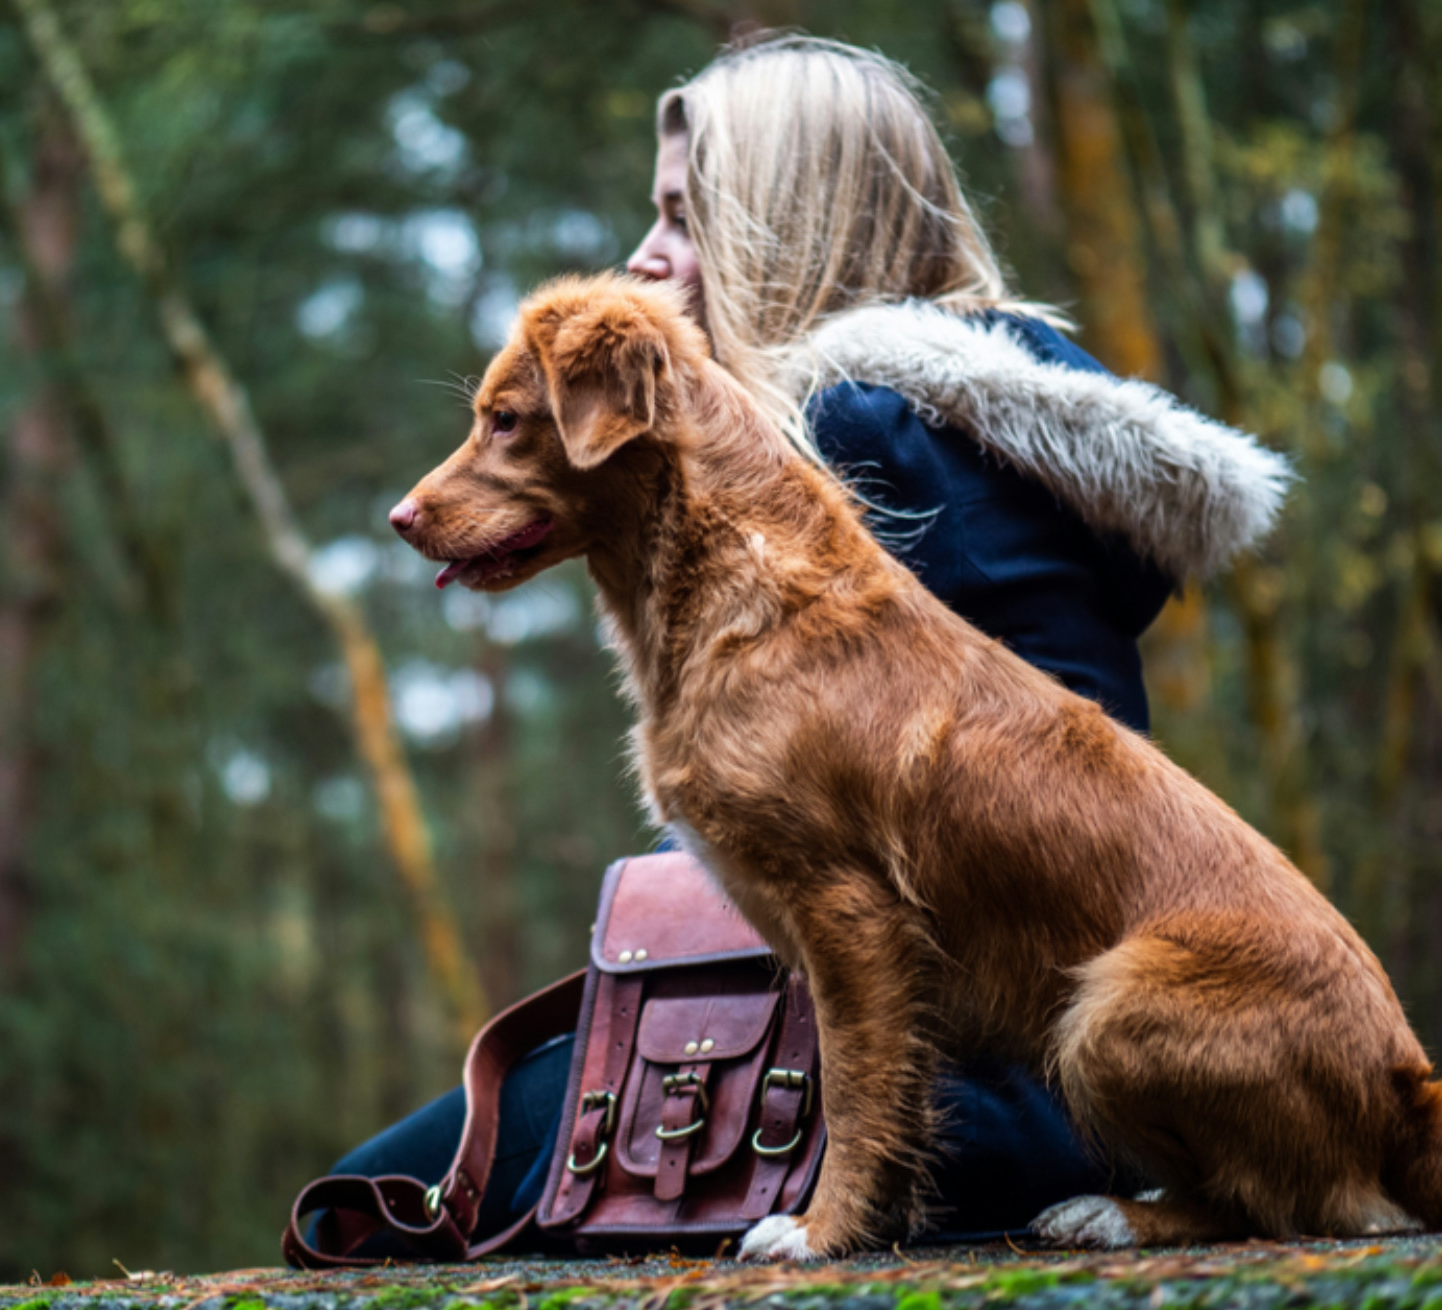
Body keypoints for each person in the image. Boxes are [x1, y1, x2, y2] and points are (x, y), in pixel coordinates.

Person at [318, 34, 1288, 1252]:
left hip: (975, 1085)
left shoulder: (850, 436)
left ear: (786, 224)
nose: (644, 255)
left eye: (680, 214)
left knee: (371, 1205)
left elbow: (880, 880)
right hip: (1038, 1068)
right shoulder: (960, 423)